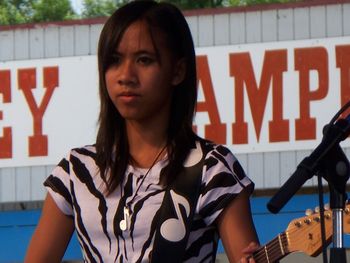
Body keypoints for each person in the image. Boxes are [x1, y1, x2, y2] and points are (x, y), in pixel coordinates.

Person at [25, 1, 259, 262]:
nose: (126, 75)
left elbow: (245, 254)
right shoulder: (75, 171)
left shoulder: (212, 168)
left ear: (178, 70)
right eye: (114, 60)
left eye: (144, 60)